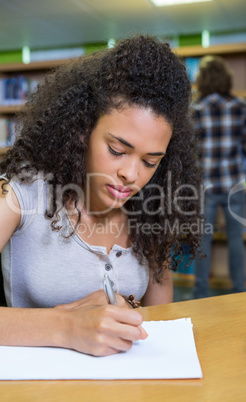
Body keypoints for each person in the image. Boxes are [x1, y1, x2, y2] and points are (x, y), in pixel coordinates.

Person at [0, 35, 202, 356]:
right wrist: (67, 326)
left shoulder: (152, 208)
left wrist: (123, 311)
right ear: (82, 130)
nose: (132, 175)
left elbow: (160, 323)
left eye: (151, 161)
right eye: (117, 150)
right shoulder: (22, 190)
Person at [191, 55, 246, 299]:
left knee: (203, 241)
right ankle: (239, 290)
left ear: (202, 81)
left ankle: (200, 294)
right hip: (233, 184)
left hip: (204, 185)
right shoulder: (242, 107)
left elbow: (190, 149)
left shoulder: (195, 110)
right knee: (235, 238)